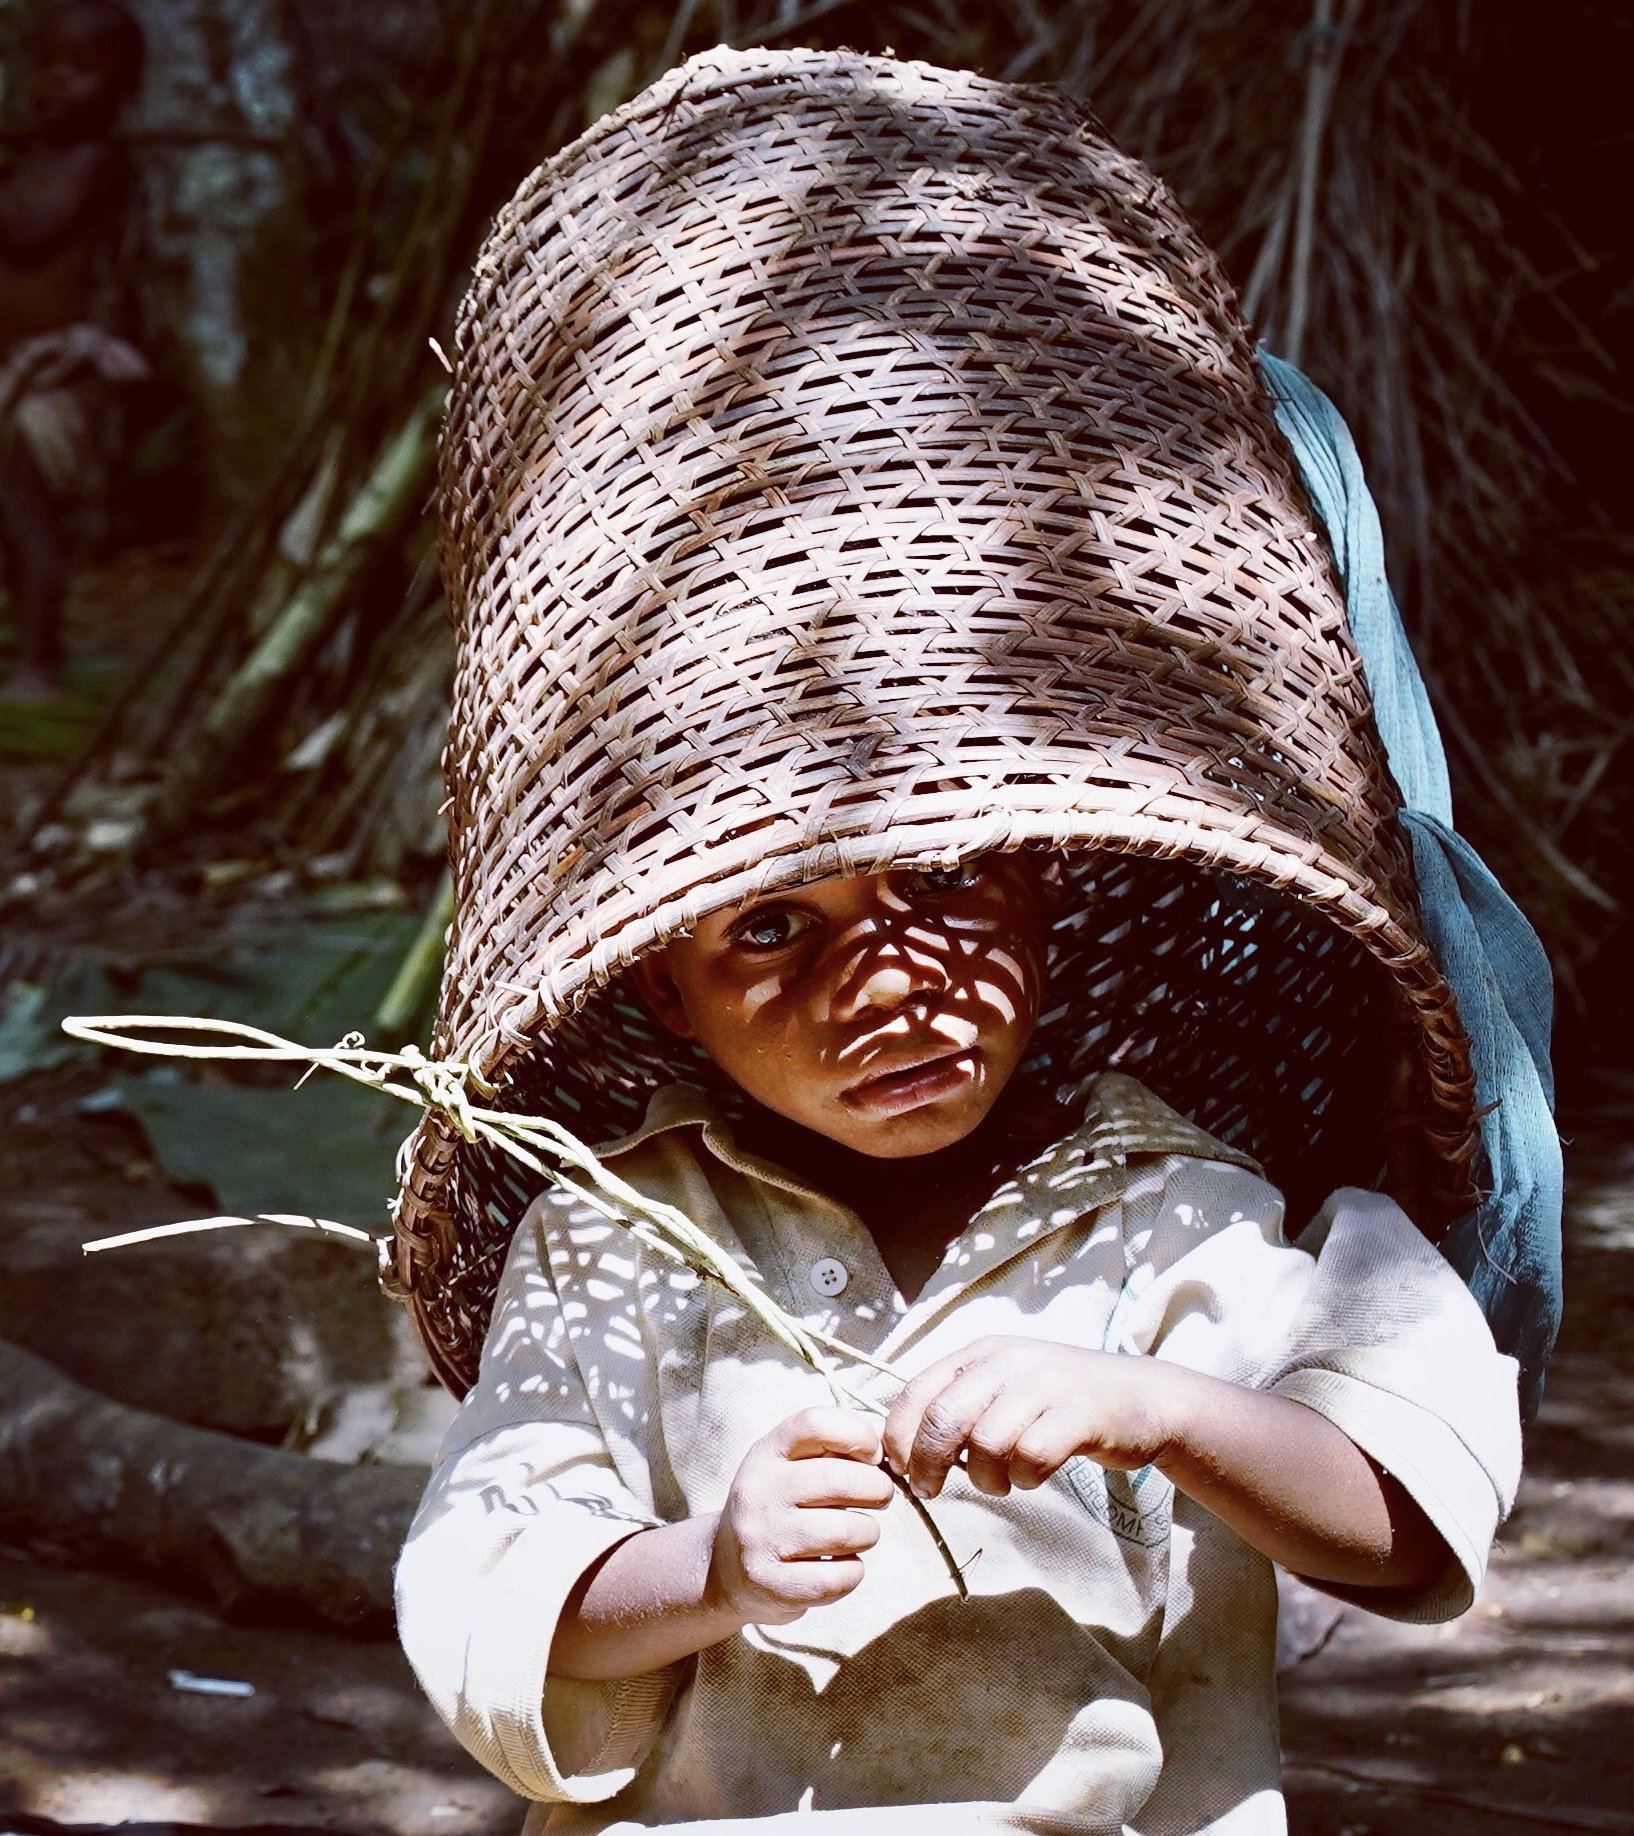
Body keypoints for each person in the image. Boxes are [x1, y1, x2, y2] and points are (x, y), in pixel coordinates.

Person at [391, 45, 1529, 1836]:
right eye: (772, 927)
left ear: (1044, 886)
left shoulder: (1178, 1217)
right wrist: (707, 1568)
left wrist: (1152, 1408)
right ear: (658, 983)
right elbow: (483, 1577)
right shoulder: (615, 1250)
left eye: (944, 890)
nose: (893, 981)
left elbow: (1404, 1517)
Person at [0, 0, 147, 702]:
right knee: (10, 518)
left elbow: (27, 233)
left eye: (81, 69)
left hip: (54, 375)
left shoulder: (95, 162)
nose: (57, 83)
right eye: (49, 65)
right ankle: (29, 640)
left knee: (30, 518)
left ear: (123, 89)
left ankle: (37, 668)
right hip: (15, 369)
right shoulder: (40, 155)